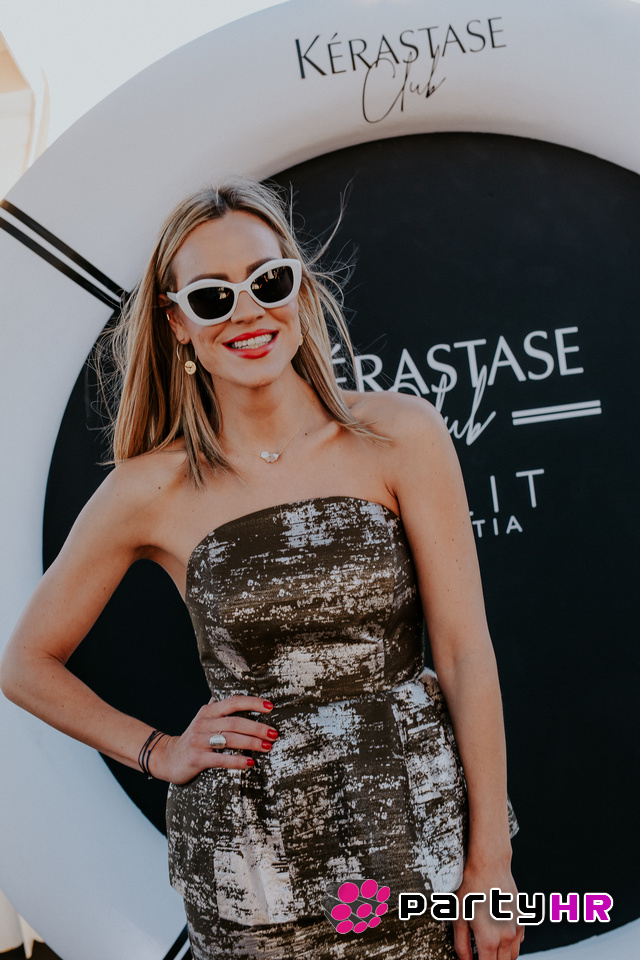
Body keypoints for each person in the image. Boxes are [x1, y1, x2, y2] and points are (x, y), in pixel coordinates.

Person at [0, 178, 522, 960]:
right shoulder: (150, 489)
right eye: (213, 297)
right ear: (178, 323)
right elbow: (25, 664)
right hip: (258, 884)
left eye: (267, 282)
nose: (247, 312)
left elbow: (464, 653)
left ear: (298, 289)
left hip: (421, 847)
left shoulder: (400, 435)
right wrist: (158, 750)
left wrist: (493, 862)